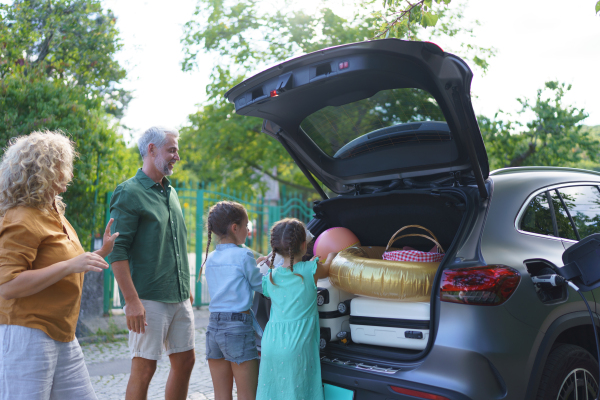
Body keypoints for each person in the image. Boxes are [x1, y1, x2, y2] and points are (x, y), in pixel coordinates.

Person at [0, 131, 118, 400]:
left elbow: (65, 262)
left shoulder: (53, 212)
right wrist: (70, 266)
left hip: (63, 332)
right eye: (60, 164)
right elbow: (7, 285)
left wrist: (99, 252)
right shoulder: (20, 217)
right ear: (40, 169)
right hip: (27, 333)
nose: (67, 171)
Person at [109, 126, 195, 400]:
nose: (177, 157)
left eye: (176, 150)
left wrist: (185, 285)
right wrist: (132, 301)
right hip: (148, 299)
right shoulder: (129, 192)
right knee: (144, 369)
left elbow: (175, 243)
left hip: (179, 296)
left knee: (185, 362)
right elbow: (117, 252)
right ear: (151, 149)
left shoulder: (170, 192)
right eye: (172, 150)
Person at [257, 218, 336, 400]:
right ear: (303, 245)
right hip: (297, 346)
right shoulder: (311, 270)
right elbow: (329, 268)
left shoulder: (271, 276)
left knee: (274, 392)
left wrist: (268, 266)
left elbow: (272, 288)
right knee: (299, 392)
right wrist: (332, 255)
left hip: (271, 344)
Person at [202, 201, 264, 400]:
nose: (248, 230)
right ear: (235, 228)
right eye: (247, 226)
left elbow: (232, 278)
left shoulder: (210, 258)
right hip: (237, 328)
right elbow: (260, 285)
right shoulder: (244, 254)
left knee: (221, 395)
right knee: (247, 394)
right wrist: (269, 272)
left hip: (214, 328)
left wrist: (254, 265)